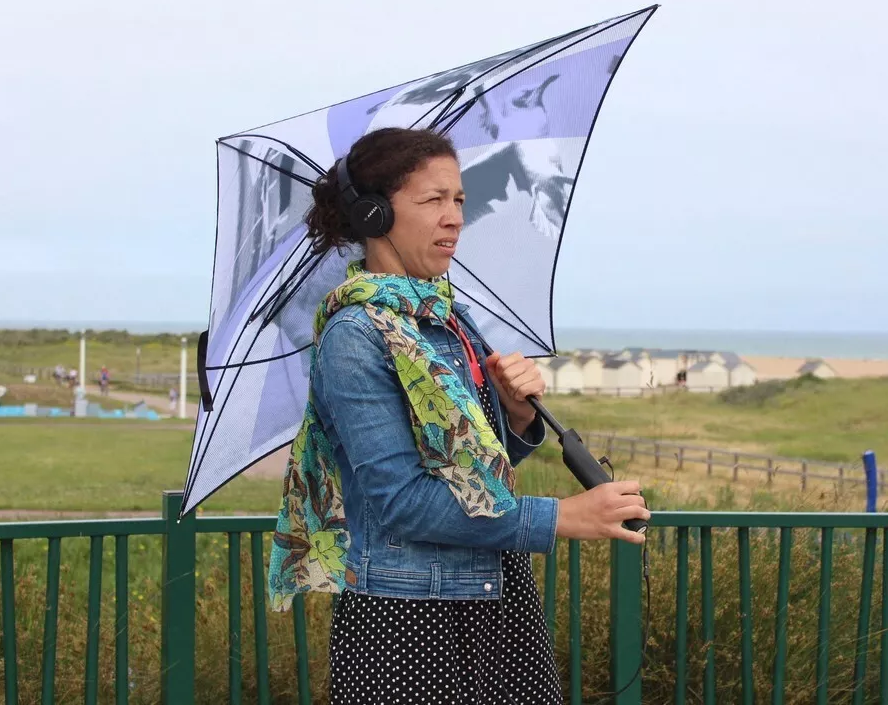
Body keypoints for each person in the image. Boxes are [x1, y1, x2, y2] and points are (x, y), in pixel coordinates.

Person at [268, 127, 649, 705]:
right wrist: (560, 518)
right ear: (374, 216)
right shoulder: (356, 336)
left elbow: (475, 470)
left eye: (459, 201)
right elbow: (400, 502)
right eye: (432, 200)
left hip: (496, 597)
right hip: (408, 621)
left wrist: (518, 418)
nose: (454, 218)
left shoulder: (447, 320)